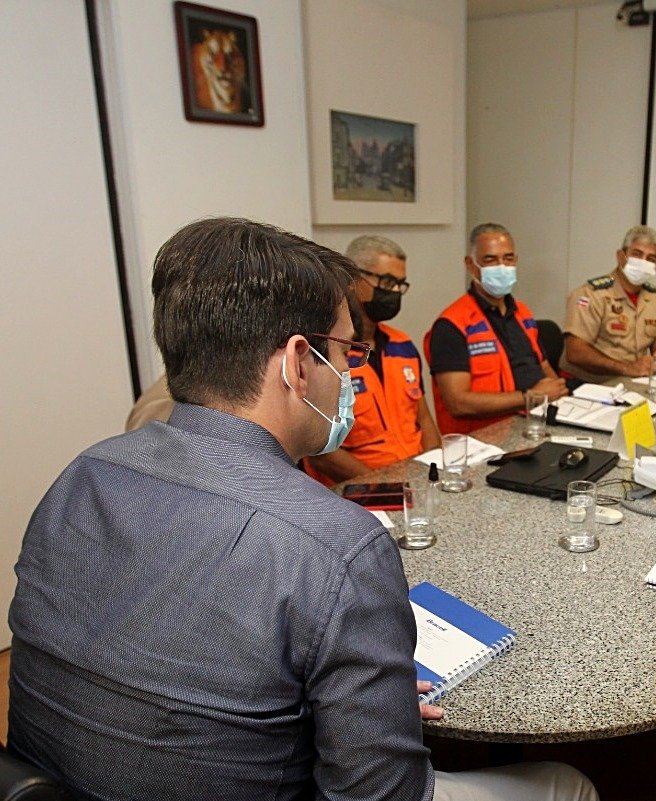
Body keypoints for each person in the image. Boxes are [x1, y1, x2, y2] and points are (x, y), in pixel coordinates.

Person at [8, 218, 596, 801]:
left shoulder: (83, 473)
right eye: (346, 353)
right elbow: (381, 795)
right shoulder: (337, 544)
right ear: (297, 362)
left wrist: (351, 699)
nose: (351, 374)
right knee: (566, 785)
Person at [304, 234, 440, 485]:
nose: (395, 292)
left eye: (400, 284)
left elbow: (424, 421)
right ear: (353, 280)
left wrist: (431, 471)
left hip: (416, 481)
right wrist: (383, 484)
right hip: (360, 490)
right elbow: (320, 452)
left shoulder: (403, 345)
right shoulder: (327, 351)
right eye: (388, 282)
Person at [425, 223, 568, 434]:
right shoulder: (451, 325)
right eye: (490, 260)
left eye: (508, 259)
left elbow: (544, 367)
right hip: (483, 440)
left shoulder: (522, 312)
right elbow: (458, 403)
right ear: (471, 265)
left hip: (535, 423)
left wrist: (558, 392)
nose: (502, 267)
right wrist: (530, 396)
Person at [562, 225, 656, 380]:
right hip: (588, 384)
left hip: (632, 383)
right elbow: (575, 352)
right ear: (621, 256)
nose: (644, 262)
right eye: (637, 254)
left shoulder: (655, 299)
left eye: (651, 258)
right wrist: (626, 368)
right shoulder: (591, 294)